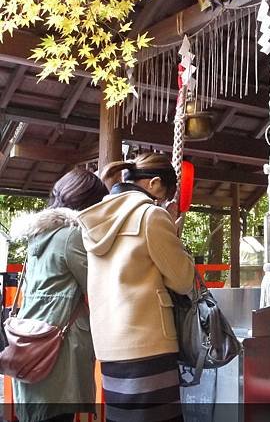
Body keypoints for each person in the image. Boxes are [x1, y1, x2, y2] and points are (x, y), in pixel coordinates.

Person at [77, 153, 195, 422]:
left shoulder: (95, 219)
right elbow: (182, 280)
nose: (161, 202)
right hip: (148, 343)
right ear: (154, 183)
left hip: (109, 344)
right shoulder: (151, 216)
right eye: (163, 195)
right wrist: (175, 238)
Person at [9, 168, 109, 422]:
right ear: (89, 205)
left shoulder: (39, 235)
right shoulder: (72, 236)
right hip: (58, 350)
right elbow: (98, 286)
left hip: (32, 342)